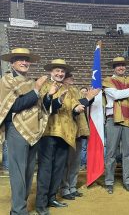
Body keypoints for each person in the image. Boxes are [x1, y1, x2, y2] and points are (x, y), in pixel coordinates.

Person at [0, 48, 57, 215]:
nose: (24, 62)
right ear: (12, 63)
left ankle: (20, 207)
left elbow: (38, 108)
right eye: (20, 59)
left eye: (27, 59)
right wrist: (37, 89)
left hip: (33, 132)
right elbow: (14, 106)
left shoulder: (31, 83)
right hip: (16, 130)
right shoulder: (6, 81)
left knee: (28, 172)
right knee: (18, 174)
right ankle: (18, 211)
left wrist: (49, 96)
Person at [35, 59, 86, 214]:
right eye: (57, 71)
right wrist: (54, 98)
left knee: (58, 169)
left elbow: (72, 107)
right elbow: (44, 105)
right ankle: (41, 204)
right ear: (51, 72)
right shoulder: (44, 85)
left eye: (62, 71)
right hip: (48, 133)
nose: (60, 73)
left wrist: (77, 108)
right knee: (45, 169)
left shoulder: (68, 88)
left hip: (65, 134)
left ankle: (52, 198)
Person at [103, 57, 129, 194]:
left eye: (123, 65)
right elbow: (116, 95)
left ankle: (127, 181)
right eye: (118, 65)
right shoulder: (108, 80)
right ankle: (109, 181)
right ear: (113, 67)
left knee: (128, 152)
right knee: (111, 152)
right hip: (113, 119)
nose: (121, 67)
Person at [60, 73, 99, 200]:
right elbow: (73, 107)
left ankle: (72, 186)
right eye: (69, 76)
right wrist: (88, 98)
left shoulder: (75, 90)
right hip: (67, 131)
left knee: (75, 162)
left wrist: (91, 97)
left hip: (78, 130)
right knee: (67, 163)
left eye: (72, 76)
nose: (72, 78)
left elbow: (83, 104)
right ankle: (64, 189)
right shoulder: (62, 91)